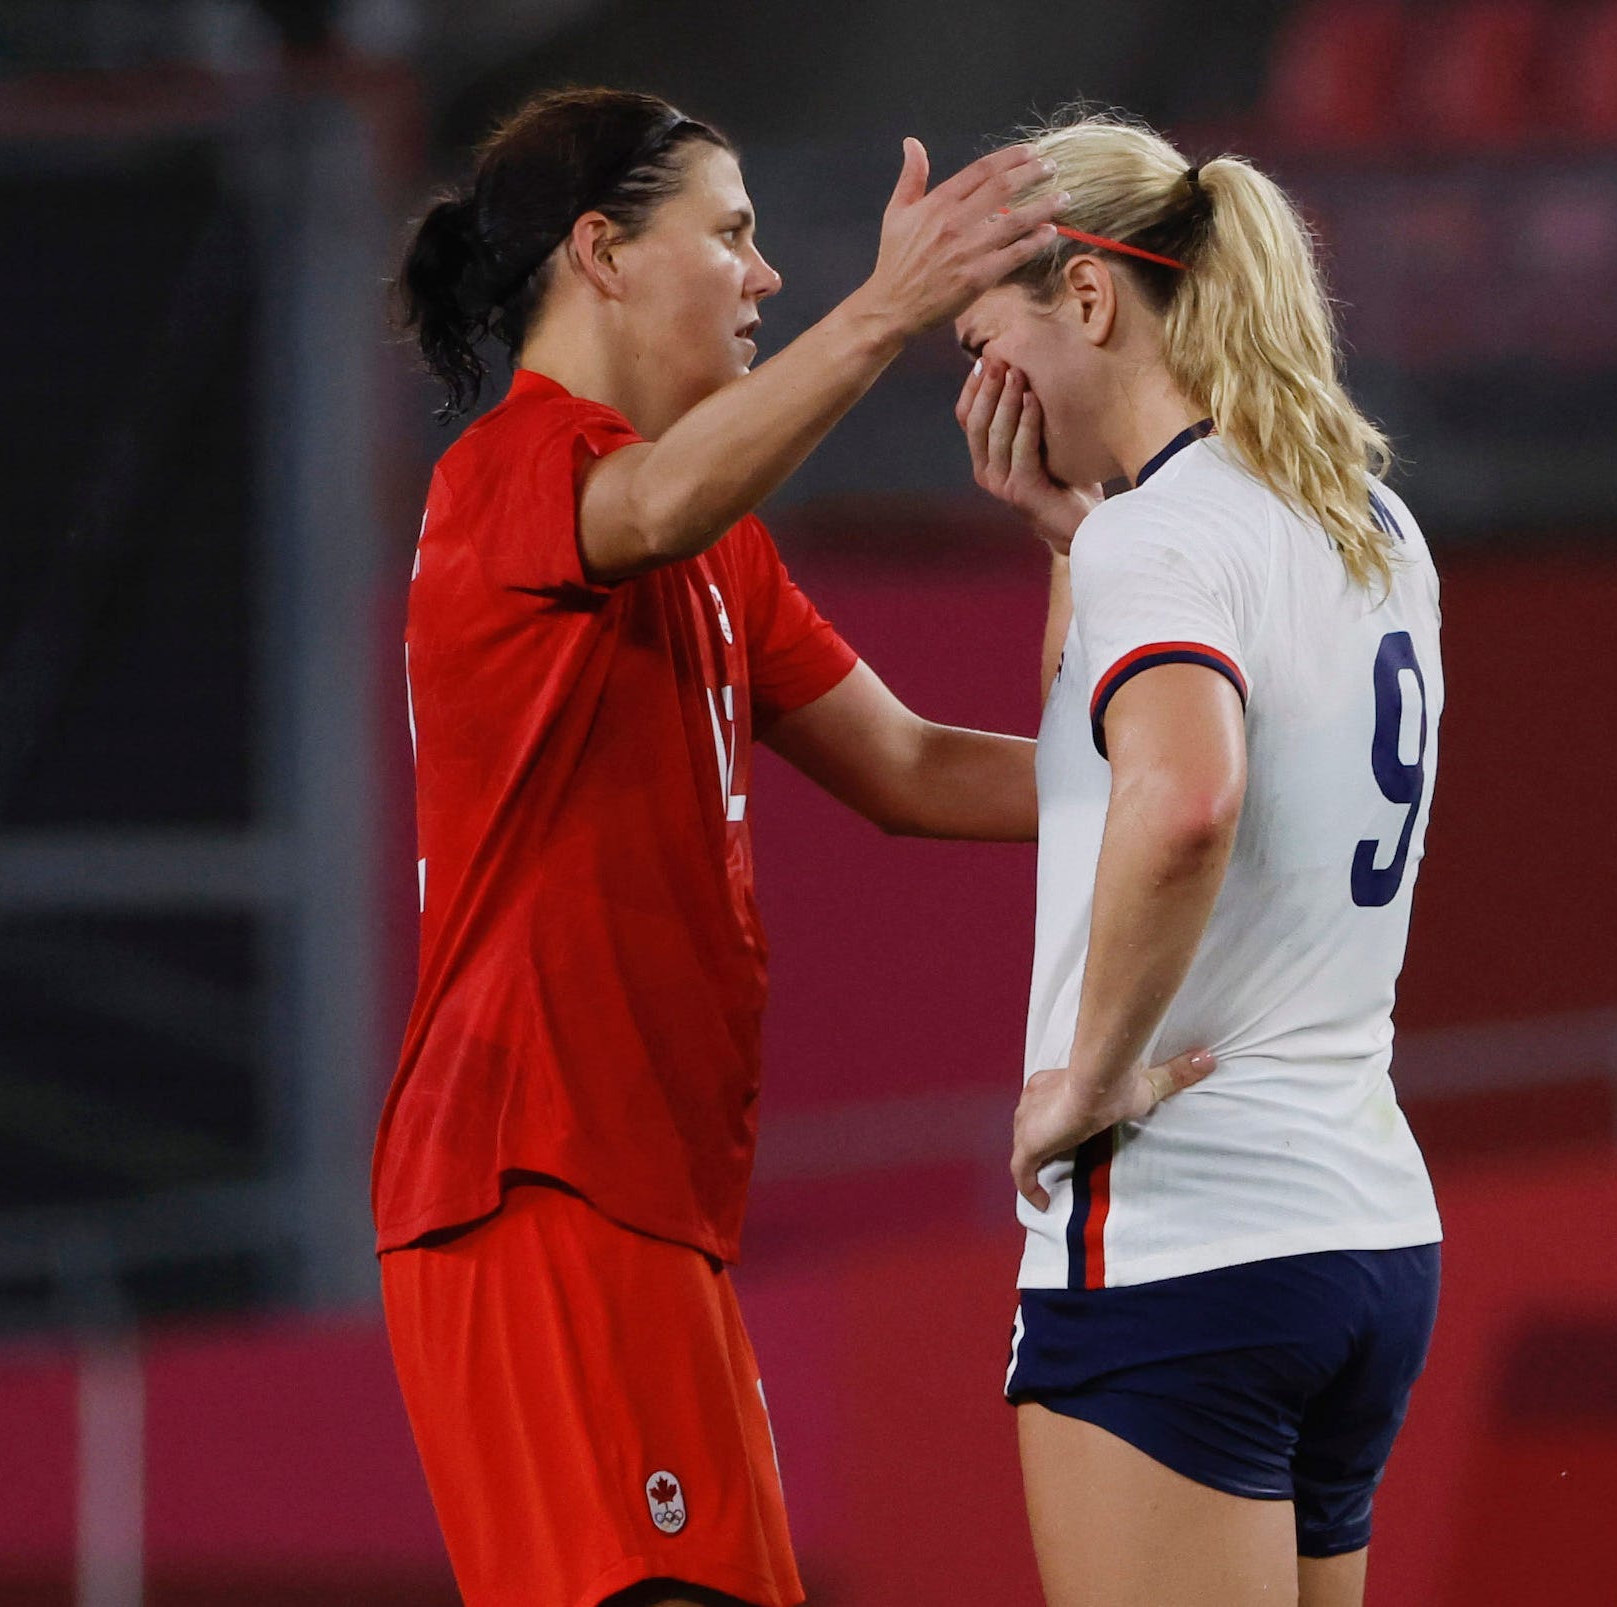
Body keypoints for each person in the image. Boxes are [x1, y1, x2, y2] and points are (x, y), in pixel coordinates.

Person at [376, 88, 1197, 1607]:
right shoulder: (511, 475)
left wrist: (1103, 614)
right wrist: (887, 311)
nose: (764, 276)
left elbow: (911, 769)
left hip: (644, 1199)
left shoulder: (705, 537)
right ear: (602, 252)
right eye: (733, 235)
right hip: (530, 1182)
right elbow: (662, 500)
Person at [952, 110, 1446, 1607]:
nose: (984, 390)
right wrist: (1065, 541)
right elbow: (1100, 773)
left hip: (1185, 1235)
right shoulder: (1365, 518)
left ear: (1089, 300)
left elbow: (1180, 799)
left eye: (990, 342)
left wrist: (1092, 1073)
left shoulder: (1161, 542)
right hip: (1362, 1229)